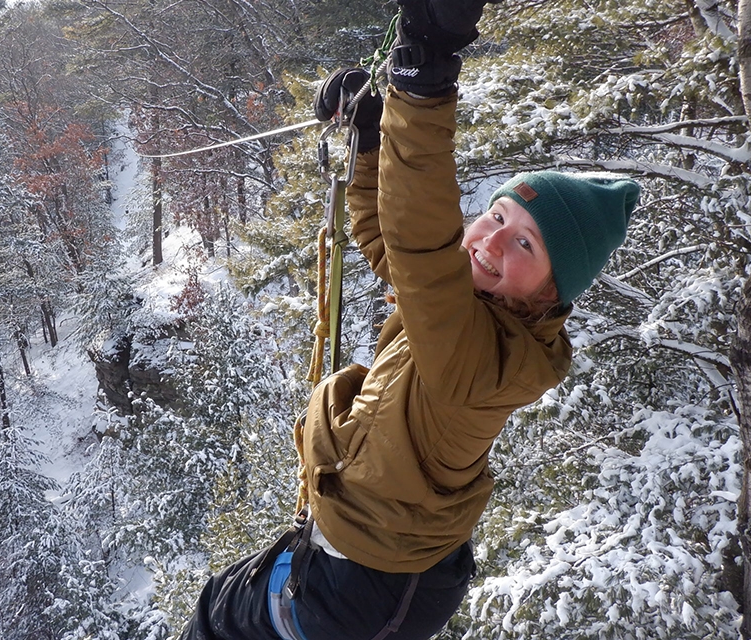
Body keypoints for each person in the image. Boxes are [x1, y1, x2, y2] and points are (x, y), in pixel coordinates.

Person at [179, 1, 640, 638]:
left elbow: (418, 241)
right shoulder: (467, 303)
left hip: (370, 588)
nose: (492, 243)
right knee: (216, 605)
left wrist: (424, 84)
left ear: (550, 295)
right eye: (499, 217)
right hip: (363, 557)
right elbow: (390, 241)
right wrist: (372, 138)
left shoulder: (483, 358)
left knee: (216, 620)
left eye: (527, 245)